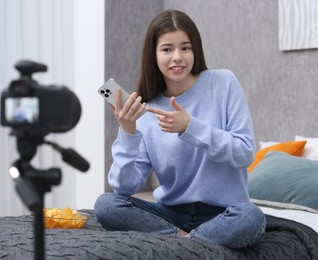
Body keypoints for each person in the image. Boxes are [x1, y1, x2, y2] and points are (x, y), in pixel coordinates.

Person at [94, 9, 266, 249]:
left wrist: (190, 127)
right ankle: (187, 244)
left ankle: (178, 246)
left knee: (252, 217)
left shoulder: (223, 83)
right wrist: (127, 132)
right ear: (153, 55)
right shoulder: (148, 110)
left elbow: (244, 153)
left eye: (185, 48)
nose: (177, 57)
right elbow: (124, 187)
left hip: (225, 214)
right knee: (106, 204)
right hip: (170, 214)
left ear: (195, 50)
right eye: (167, 49)